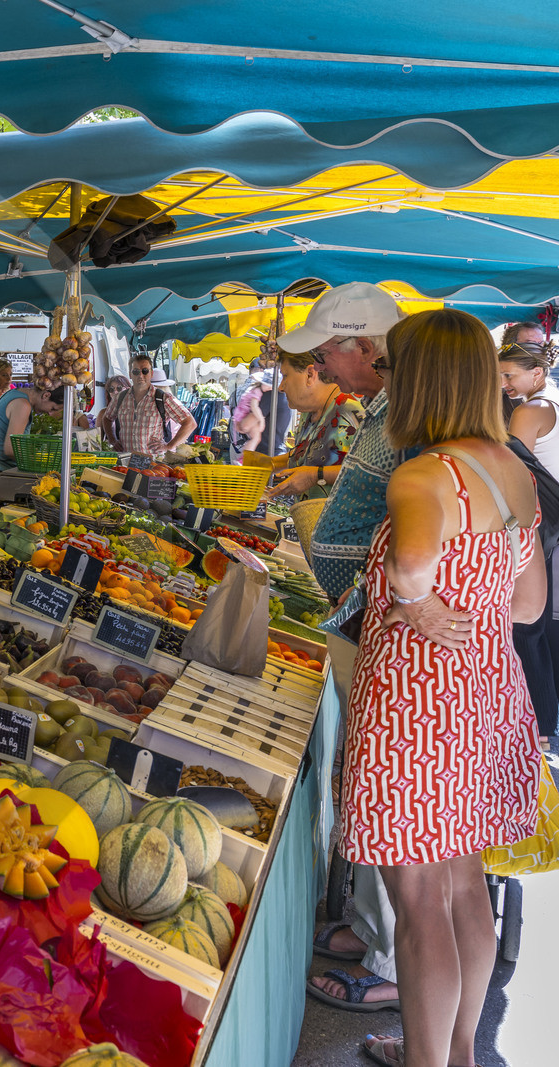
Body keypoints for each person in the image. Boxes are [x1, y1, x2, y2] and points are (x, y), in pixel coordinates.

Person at [339, 308, 545, 1067]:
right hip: (487, 693)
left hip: (419, 705)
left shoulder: (425, 473)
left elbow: (411, 565)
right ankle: (457, 1054)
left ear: (422, 381)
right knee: (462, 885)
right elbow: (527, 605)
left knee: (419, 898)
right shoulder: (510, 467)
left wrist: (416, 596)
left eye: (394, 370)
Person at [282, 283, 409, 1016]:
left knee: (389, 799)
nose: (323, 362)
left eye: (328, 349)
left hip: (387, 633)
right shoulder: (382, 411)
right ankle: (368, 928)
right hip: (362, 621)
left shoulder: (414, 419)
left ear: (362, 346)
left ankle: (389, 956)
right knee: (366, 783)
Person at [498, 338, 559, 746]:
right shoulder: (551, 400)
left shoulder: (530, 409)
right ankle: (545, 727)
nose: (503, 383)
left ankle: (538, 729)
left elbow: (513, 469)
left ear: (535, 374)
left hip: (538, 523)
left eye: (509, 375)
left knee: (528, 626)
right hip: (550, 525)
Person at [265, 348, 365, 498]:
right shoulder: (308, 412)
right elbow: (312, 451)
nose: (281, 387)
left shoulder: (351, 409)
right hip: (309, 518)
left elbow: (370, 471)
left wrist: (315, 475)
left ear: (310, 375)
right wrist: (272, 464)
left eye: (285, 376)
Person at [104, 353, 196, 455]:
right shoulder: (119, 398)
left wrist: (169, 446)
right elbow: (107, 418)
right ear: (130, 374)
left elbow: (190, 423)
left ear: (151, 373)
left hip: (152, 464)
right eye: (136, 371)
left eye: (145, 371)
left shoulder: (164, 399)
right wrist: (113, 440)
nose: (140, 375)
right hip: (126, 462)